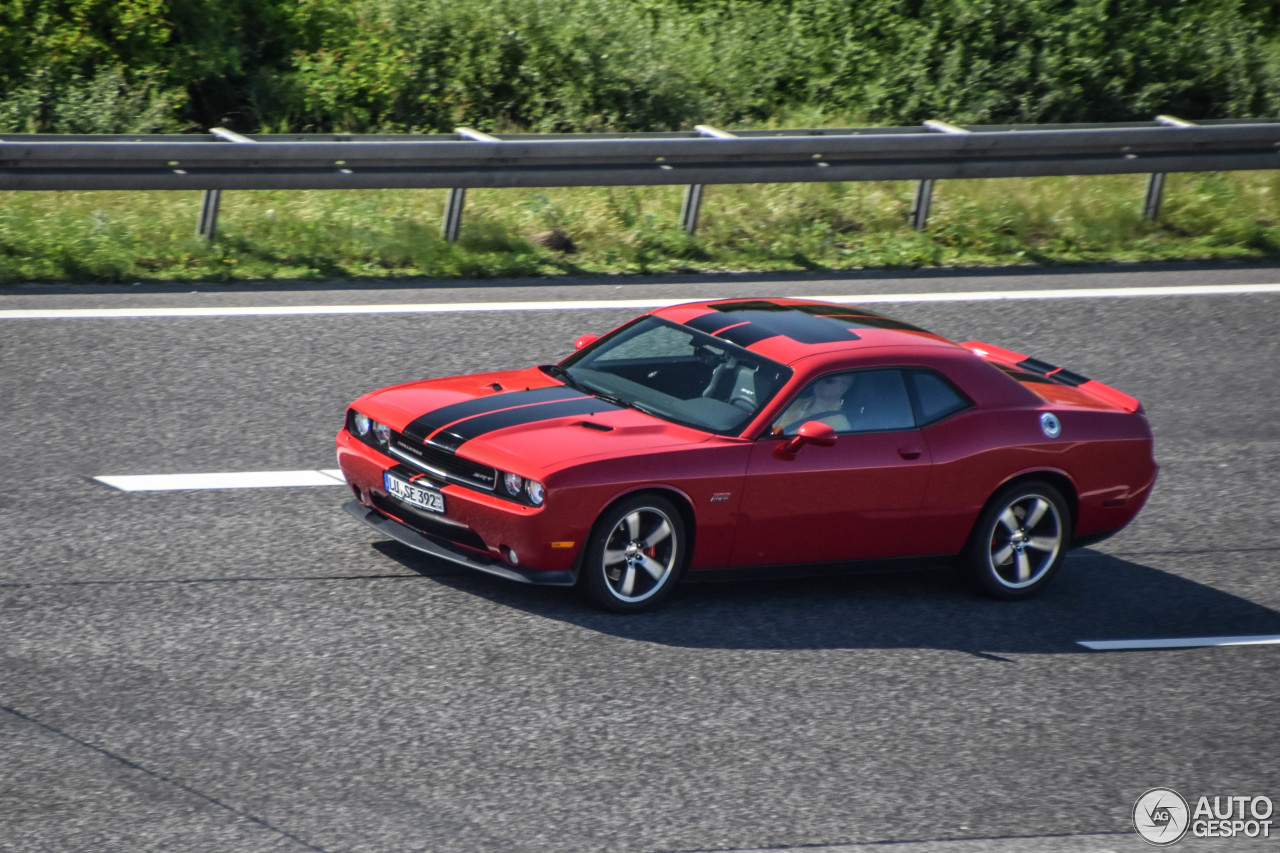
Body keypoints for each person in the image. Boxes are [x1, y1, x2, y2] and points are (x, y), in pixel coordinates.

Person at [772, 373, 854, 435]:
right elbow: (771, 429)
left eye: (828, 380)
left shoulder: (838, 423)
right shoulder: (795, 402)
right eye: (820, 377)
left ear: (842, 389)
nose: (820, 381)